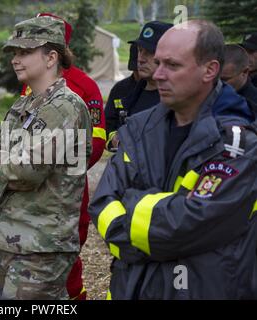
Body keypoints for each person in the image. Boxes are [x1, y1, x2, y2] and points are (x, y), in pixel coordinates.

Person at [89, 20, 257, 300]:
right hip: (130, 289)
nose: (159, 74)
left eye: (173, 65)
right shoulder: (138, 128)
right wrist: (164, 215)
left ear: (210, 70)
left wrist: (130, 206)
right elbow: (102, 204)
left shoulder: (238, 144)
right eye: (158, 62)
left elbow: (191, 223)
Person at [0, 16, 92, 300]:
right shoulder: (23, 104)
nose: (15, 60)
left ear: (51, 57)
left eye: (24, 52)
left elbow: (27, 172)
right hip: (10, 236)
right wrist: (3, 160)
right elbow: (1, 155)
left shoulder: (66, 106)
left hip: (42, 244)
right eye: (15, 53)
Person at [20, 12, 105, 300]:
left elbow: (95, 141)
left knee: (65, 266)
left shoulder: (84, 87)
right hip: (25, 197)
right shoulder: (28, 86)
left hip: (65, 191)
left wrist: (58, 170)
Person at [107, 21, 172, 151]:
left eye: (149, 52)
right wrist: (115, 140)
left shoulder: (179, 98)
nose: (140, 59)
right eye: (140, 51)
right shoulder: (129, 95)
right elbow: (108, 125)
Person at [105, 43, 139, 151]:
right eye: (136, 70)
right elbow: (107, 123)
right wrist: (114, 138)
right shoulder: (120, 89)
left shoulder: (164, 92)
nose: (138, 75)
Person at [221, 44, 257, 117]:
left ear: (245, 72)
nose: (219, 83)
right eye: (215, 78)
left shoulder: (253, 104)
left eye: (224, 79)